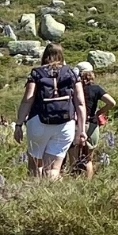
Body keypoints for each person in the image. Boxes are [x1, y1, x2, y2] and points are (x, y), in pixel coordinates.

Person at [13, 43, 85, 179]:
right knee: (53, 168)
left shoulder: (36, 73)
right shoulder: (71, 73)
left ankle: (35, 194)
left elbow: (28, 99)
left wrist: (18, 124)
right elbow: (80, 102)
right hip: (65, 123)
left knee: (35, 164)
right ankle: (50, 195)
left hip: (38, 122)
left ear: (45, 56)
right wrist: (81, 130)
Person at [71, 62, 116, 177]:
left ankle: (73, 181)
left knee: (74, 159)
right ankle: (89, 182)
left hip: (76, 125)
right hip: (92, 124)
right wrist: (99, 112)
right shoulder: (96, 89)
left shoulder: (73, 89)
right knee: (88, 159)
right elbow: (112, 102)